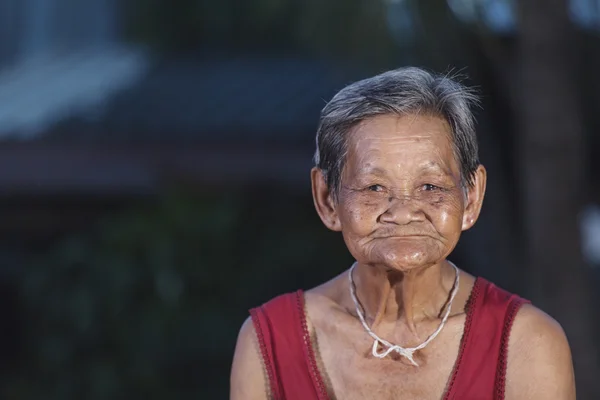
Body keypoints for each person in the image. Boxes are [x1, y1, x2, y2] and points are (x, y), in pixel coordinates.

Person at [230, 67, 575, 399]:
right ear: (327, 199)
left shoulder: (526, 344)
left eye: (430, 186)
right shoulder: (270, 344)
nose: (403, 212)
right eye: (375, 187)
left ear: (471, 197)